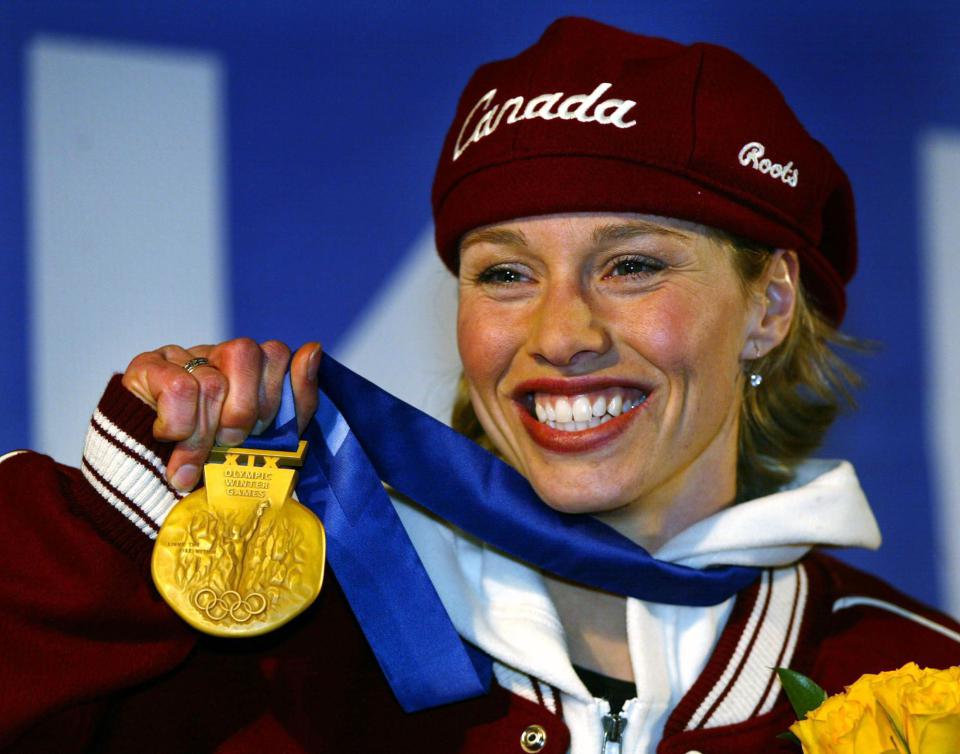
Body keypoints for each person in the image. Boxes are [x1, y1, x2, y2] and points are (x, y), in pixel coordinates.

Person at [1, 16, 958, 754]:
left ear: (770, 305)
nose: (561, 334)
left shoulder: (915, 677)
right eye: (505, 273)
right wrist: (102, 532)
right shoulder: (268, 639)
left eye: (632, 265)